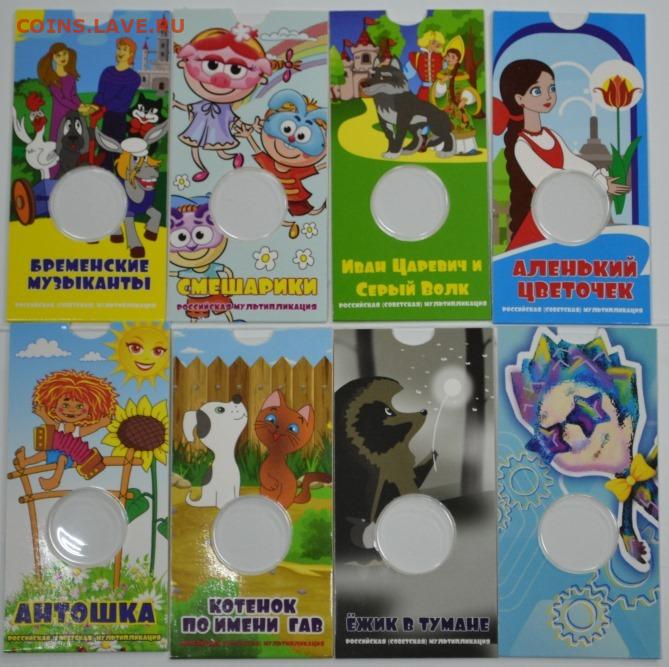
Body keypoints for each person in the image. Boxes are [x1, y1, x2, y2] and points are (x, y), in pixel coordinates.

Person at [494, 59, 629, 250]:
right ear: (519, 99)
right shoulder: (521, 145)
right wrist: (595, 184)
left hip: (562, 210)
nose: (548, 96)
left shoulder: (551, 135)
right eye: (537, 91)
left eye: (552, 88)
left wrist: (598, 177)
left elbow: (571, 160)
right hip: (543, 216)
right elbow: (547, 176)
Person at [94, 37, 141, 169]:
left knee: (118, 147)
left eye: (125, 49)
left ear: (131, 54)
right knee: (103, 148)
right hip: (105, 117)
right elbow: (100, 94)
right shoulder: (107, 72)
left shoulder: (133, 77)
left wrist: (103, 106)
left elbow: (123, 100)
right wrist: (94, 106)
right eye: (119, 48)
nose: (120, 52)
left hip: (118, 118)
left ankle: (121, 173)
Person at [430, 36, 481, 155]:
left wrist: (465, 99)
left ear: (458, 60)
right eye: (449, 56)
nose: (450, 59)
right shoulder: (442, 73)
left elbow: (469, 89)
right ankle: (443, 147)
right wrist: (442, 83)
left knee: (464, 124)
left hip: (459, 105)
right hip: (446, 106)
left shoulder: (462, 74)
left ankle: (467, 148)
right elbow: (437, 93)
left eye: (453, 57)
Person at [406, 30, 445, 102]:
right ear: (426, 41)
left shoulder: (441, 57)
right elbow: (407, 74)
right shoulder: (416, 56)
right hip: (424, 91)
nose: (435, 45)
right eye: (433, 42)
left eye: (438, 44)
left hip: (438, 90)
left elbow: (447, 70)